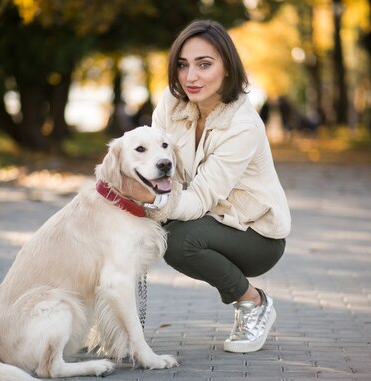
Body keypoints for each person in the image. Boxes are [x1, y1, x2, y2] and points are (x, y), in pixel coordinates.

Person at [120, 19, 291, 353]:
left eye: (204, 64)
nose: (191, 77)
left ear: (227, 68)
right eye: (183, 65)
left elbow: (198, 197)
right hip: (206, 218)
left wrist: (150, 202)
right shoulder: (171, 104)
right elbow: (147, 165)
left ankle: (253, 303)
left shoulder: (243, 125)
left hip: (254, 234)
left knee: (178, 242)